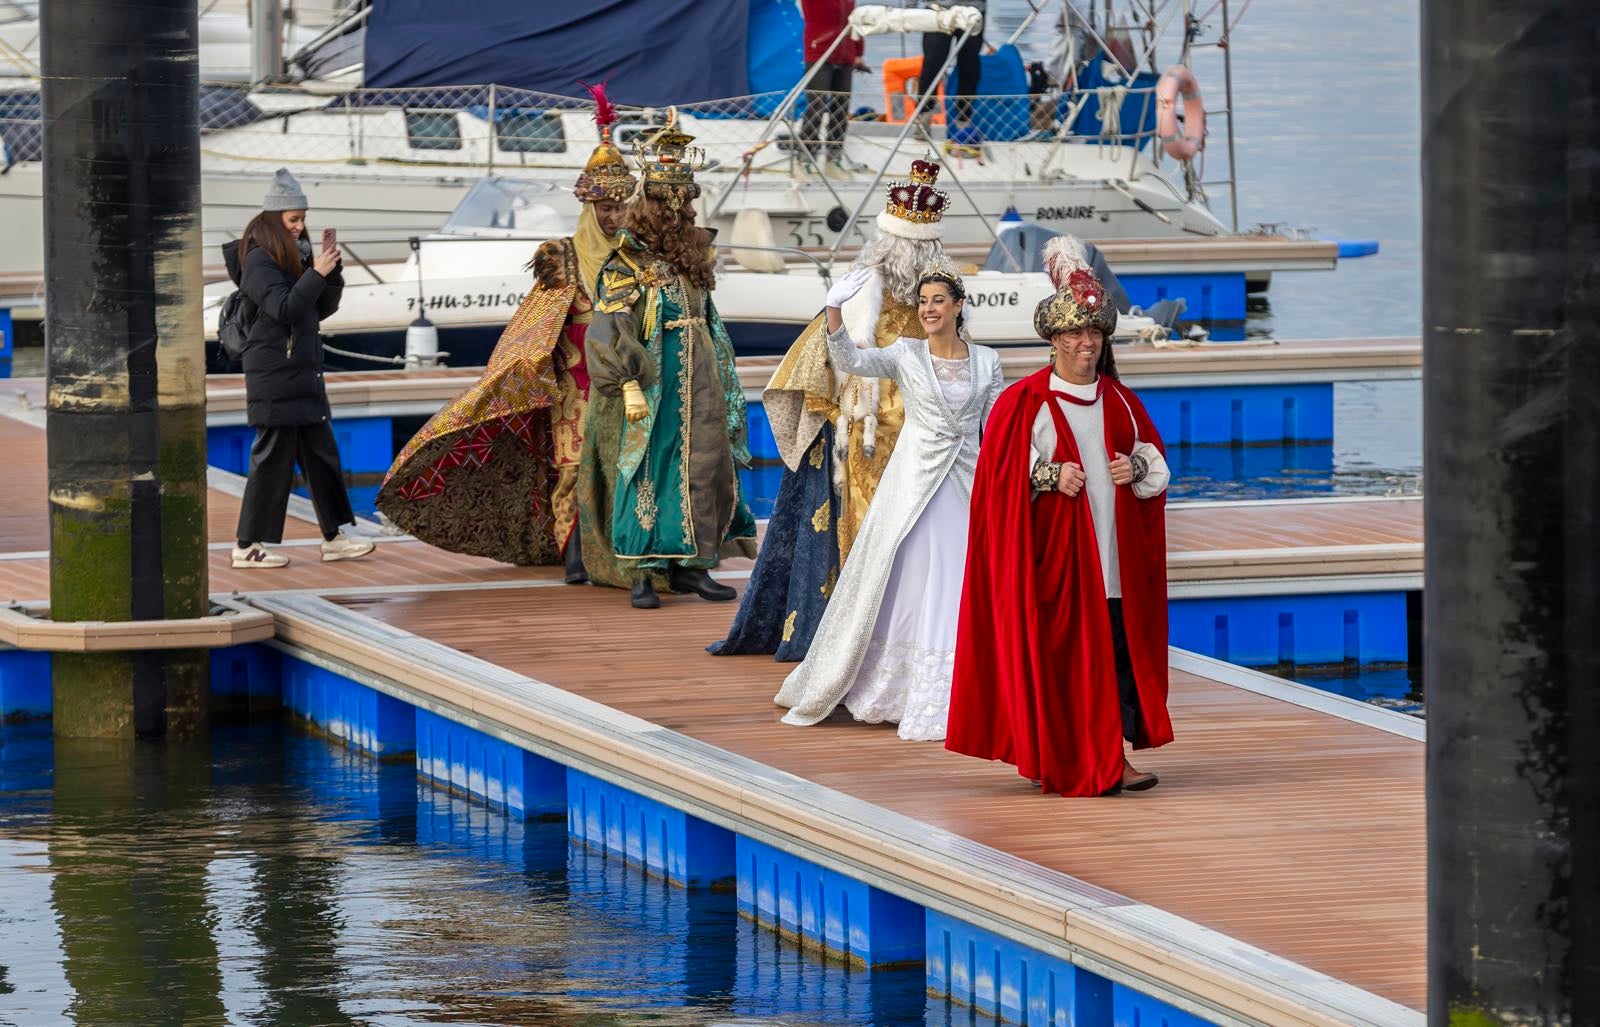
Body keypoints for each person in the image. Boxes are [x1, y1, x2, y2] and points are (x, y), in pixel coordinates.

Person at [945, 237, 1174, 795]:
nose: (1085, 343)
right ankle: (1067, 756)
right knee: (1063, 662)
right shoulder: (1024, 402)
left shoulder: (1119, 399)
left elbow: (1156, 463)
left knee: (1113, 657)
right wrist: (1049, 476)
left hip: (1113, 558)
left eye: (1093, 333)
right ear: (1053, 340)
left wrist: (1136, 471)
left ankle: (1111, 757)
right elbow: (996, 479)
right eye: (1074, 333)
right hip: (1055, 563)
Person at [376, 86, 635, 578]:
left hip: (622, 382)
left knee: (619, 470)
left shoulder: (636, 257)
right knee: (573, 470)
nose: (614, 217)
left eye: (621, 208)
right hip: (572, 385)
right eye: (606, 208)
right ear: (589, 207)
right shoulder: (562, 257)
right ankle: (575, 554)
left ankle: (617, 552)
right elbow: (534, 328)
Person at [710, 157, 948, 660]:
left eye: (924, 247)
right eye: (912, 246)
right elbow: (818, 360)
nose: (916, 256)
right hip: (859, 438)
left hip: (922, 439)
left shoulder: (939, 302)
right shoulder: (860, 295)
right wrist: (832, 410)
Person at [773, 255, 1003, 741]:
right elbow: (850, 361)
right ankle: (895, 687)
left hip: (967, 484)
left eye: (938, 300)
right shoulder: (905, 353)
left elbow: (1000, 425)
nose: (928, 309)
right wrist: (834, 309)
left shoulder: (988, 361)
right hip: (913, 486)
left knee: (961, 581)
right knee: (911, 579)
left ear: (959, 306)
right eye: (923, 301)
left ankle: (957, 689)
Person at [578, 110, 759, 610]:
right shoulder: (627, 261)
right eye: (666, 207)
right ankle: (644, 569)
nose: (676, 216)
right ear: (649, 206)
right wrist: (629, 384)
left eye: (683, 208)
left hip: (698, 374)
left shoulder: (694, 256)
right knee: (650, 466)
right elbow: (609, 325)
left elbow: (712, 320)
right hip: (654, 379)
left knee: (703, 461)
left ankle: (694, 565)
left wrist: (725, 382)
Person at [229, 168, 374, 569]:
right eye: (293, 220)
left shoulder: (294, 256)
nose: (300, 226)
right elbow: (285, 308)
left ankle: (334, 537)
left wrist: (332, 273)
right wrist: (315, 274)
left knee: (321, 455)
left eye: (303, 219)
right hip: (275, 374)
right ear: (275, 220)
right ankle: (246, 546)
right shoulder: (258, 258)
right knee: (272, 459)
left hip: (302, 372)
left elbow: (319, 308)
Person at [799, 0, 870, 178]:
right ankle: (805, 157)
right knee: (817, 104)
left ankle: (833, 157)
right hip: (819, 52)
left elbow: (853, 22)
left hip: (846, 55)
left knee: (841, 106)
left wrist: (858, 53)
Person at [920, 0, 986, 131]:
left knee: (969, 68)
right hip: (937, 9)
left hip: (973, 10)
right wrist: (911, 8)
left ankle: (964, 121)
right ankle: (924, 117)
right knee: (932, 65)